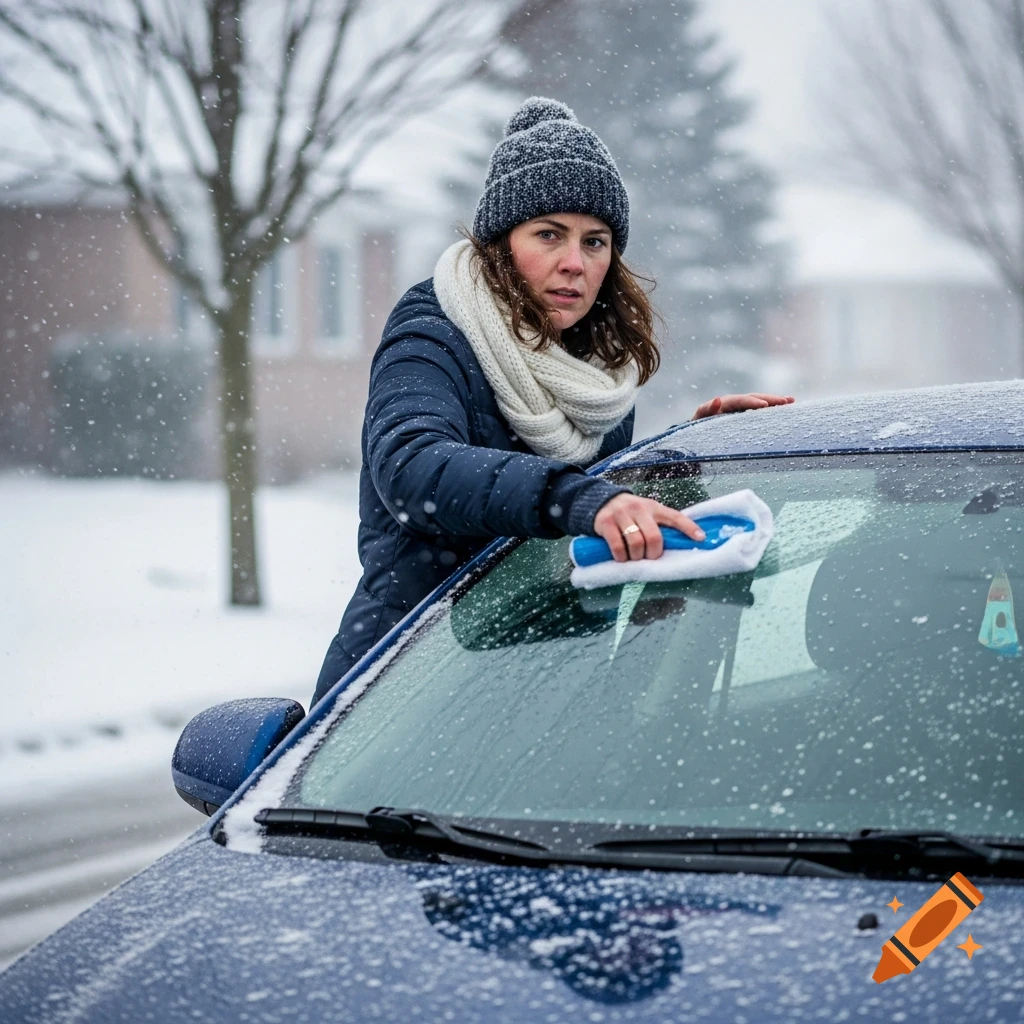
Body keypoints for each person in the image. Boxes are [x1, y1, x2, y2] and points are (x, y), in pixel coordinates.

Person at [311, 96, 792, 706]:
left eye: (595, 242)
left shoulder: (596, 370)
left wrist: (691, 454)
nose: (575, 263)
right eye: (549, 235)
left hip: (551, 678)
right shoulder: (432, 329)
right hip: (411, 683)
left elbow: (601, 510)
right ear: (499, 243)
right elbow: (412, 467)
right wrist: (575, 498)